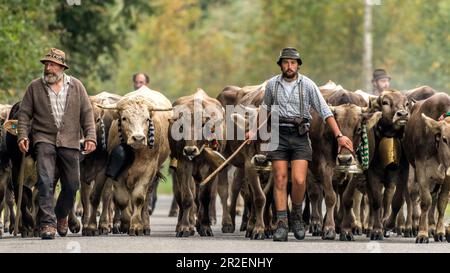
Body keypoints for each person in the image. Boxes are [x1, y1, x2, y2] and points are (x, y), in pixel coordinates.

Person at [250, 47, 354, 242]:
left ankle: (296, 216)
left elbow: (325, 111)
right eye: (285, 62)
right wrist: (255, 131)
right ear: (281, 65)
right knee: (280, 179)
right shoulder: (272, 85)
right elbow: (265, 111)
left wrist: (339, 135)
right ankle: (282, 223)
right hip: (278, 134)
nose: (289, 66)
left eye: (293, 63)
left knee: (299, 180)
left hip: (300, 135)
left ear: (298, 65)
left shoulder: (308, 85)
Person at [17, 48, 97, 239]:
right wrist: (22, 136)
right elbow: (24, 114)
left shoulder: (77, 86)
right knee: (45, 181)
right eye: (46, 64)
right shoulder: (34, 87)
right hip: (43, 139)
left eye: (52, 64)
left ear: (62, 67)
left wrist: (91, 137)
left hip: (70, 141)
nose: (48, 68)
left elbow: (87, 113)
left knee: (72, 184)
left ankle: (61, 215)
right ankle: (47, 224)